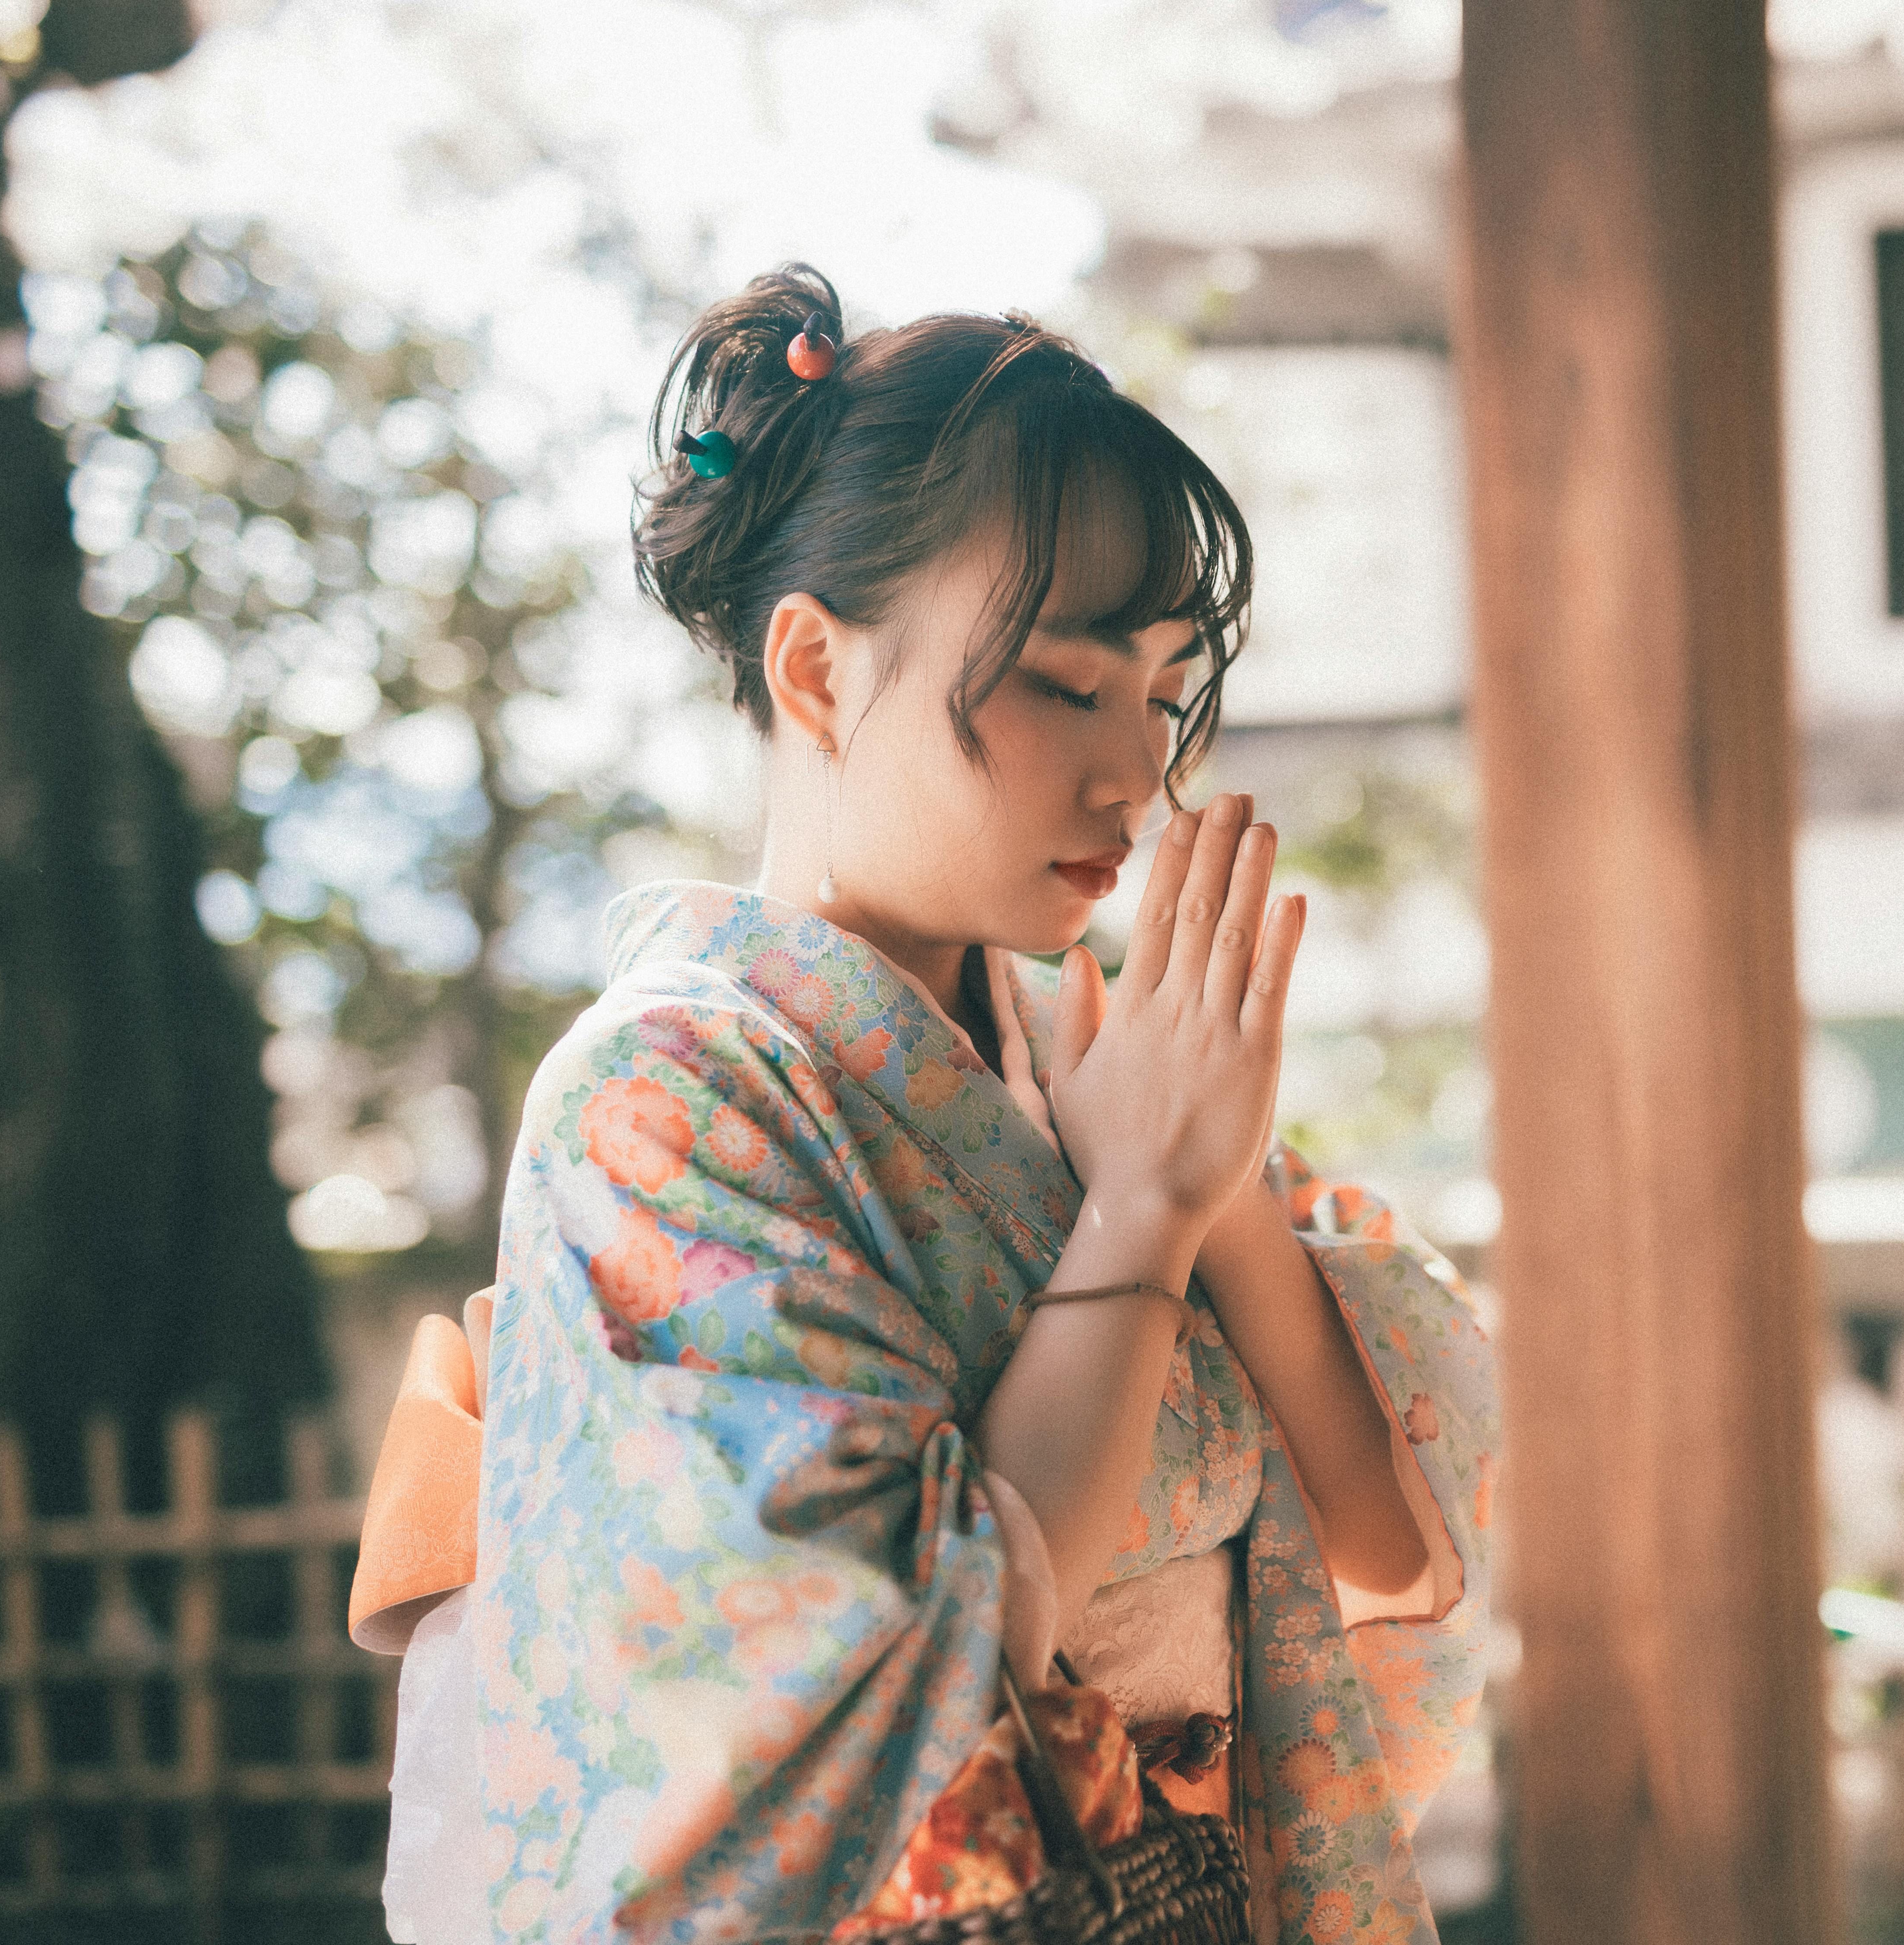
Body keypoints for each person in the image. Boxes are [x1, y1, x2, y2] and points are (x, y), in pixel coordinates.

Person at [389, 265, 1494, 1943]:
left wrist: (1207, 1183)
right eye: (1066, 685)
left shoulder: (1101, 1070)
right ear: (819, 672)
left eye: (1162, 689)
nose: (1138, 773)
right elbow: (900, 1672)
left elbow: (1395, 1560)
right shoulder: (667, 1101)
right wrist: (1132, 1224)